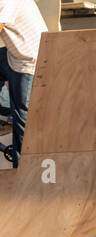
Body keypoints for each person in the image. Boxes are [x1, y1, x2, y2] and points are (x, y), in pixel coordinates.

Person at [0, 0, 45, 168]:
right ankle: (8, 108)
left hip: (29, 60)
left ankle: (23, 167)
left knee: (22, 114)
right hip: (12, 53)